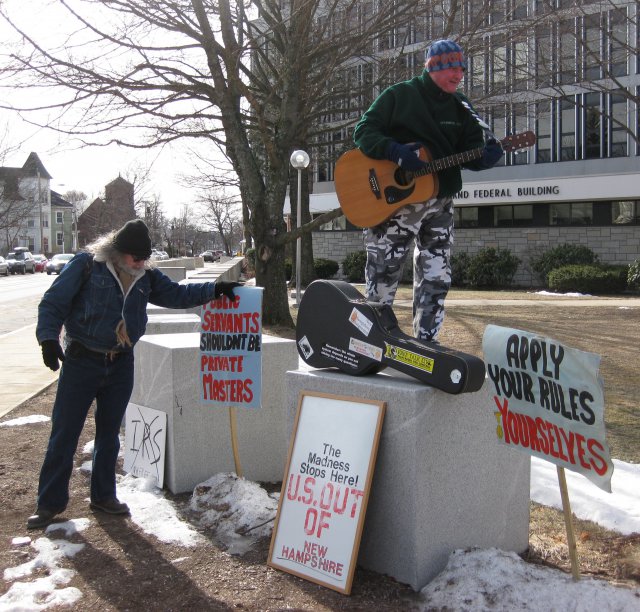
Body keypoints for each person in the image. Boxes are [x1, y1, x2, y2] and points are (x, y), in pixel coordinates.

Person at [28, 219, 240, 529]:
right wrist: (47, 339)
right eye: (135, 258)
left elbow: (176, 295)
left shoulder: (146, 275)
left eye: (144, 258)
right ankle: (49, 504)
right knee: (65, 432)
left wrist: (215, 289)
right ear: (117, 252)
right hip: (81, 359)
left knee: (110, 434)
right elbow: (54, 302)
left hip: (120, 362)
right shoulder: (87, 265)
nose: (140, 263)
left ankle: (103, 495)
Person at [353, 39, 503, 342]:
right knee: (382, 276)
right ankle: (369, 342)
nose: (459, 74)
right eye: (452, 68)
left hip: (440, 204)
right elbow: (364, 131)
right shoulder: (399, 95)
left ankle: (426, 344)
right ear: (434, 67)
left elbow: (472, 149)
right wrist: (394, 151)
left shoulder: (461, 106)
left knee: (437, 277)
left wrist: (484, 158)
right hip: (394, 205)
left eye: (461, 68)